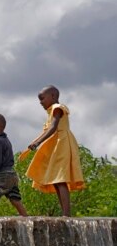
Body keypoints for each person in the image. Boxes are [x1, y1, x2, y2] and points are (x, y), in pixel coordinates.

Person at [25, 85, 84, 216]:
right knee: (57, 181)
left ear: (53, 96)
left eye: (42, 99)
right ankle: (65, 212)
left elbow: (53, 128)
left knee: (60, 179)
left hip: (62, 144)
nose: (40, 102)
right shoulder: (51, 111)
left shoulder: (57, 108)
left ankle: (66, 214)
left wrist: (38, 142)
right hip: (57, 145)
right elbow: (46, 130)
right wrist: (34, 142)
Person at [0, 114, 28, 216]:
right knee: (14, 198)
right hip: (12, 174)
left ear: (0, 126)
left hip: (3, 174)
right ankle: (26, 219)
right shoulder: (7, 140)